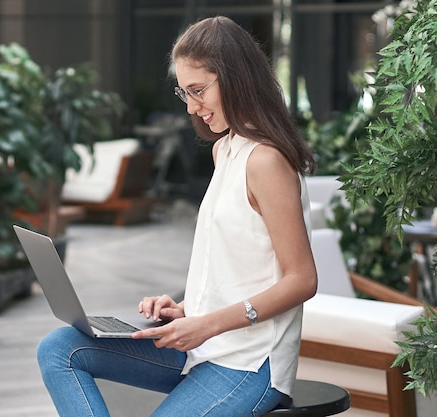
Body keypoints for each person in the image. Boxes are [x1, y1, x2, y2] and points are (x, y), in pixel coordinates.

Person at [36, 16, 318, 417]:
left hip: (248, 362)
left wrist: (207, 324)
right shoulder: (226, 150)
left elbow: (302, 280)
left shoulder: (267, 161)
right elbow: (240, 262)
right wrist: (187, 308)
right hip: (202, 347)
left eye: (199, 90)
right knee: (60, 348)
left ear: (237, 78)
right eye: (184, 93)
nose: (191, 107)